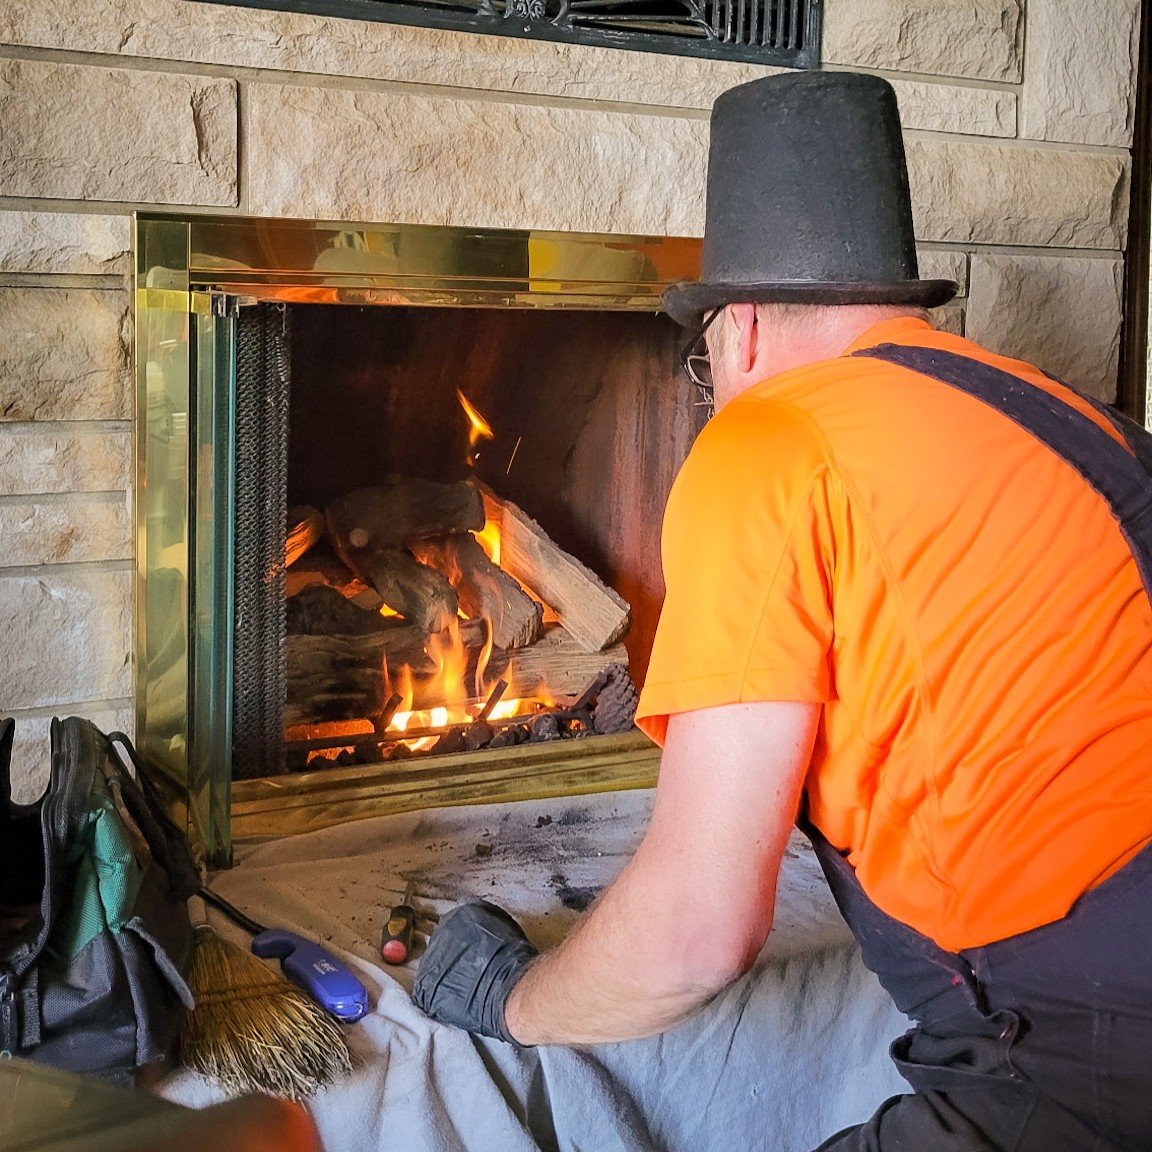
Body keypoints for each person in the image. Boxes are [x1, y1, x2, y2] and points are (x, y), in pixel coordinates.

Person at [414, 71, 1152, 1151]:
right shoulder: (1063, 412)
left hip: (1089, 1050)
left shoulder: (770, 439)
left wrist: (513, 999)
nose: (712, 376)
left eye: (703, 352)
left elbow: (697, 932)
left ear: (742, 328)